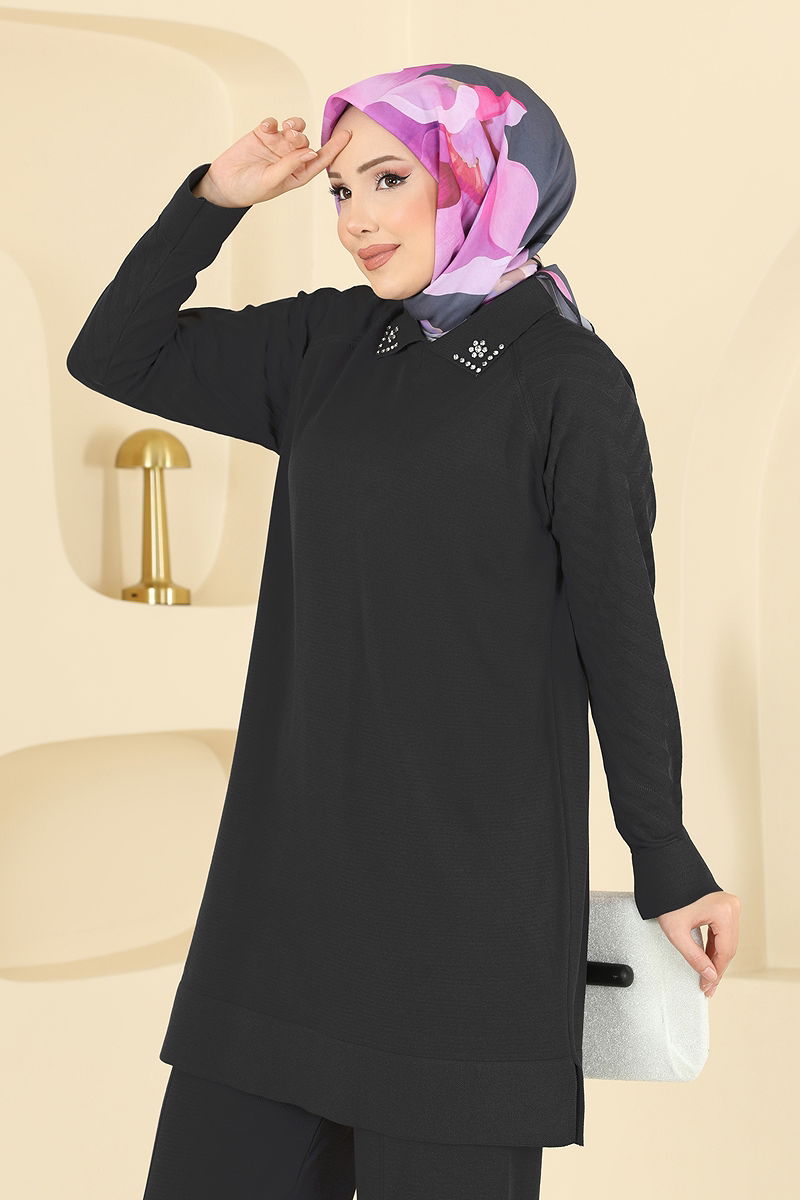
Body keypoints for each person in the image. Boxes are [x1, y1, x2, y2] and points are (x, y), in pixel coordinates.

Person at [66, 63, 740, 1200]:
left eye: (389, 179)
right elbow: (114, 354)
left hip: (463, 929)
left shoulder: (568, 383)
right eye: (339, 190)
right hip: (284, 905)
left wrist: (664, 856)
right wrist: (217, 198)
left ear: (484, 176)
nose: (356, 220)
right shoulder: (331, 344)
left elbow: (617, 635)